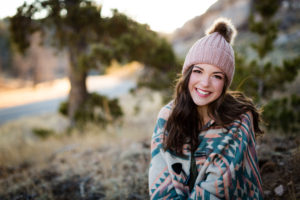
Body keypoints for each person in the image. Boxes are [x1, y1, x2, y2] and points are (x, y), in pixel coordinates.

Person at [148, 18, 264, 199]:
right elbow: (160, 189)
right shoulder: (167, 116)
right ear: (187, 73)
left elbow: (216, 192)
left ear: (225, 83)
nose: (205, 83)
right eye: (198, 71)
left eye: (216, 76)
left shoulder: (239, 121)